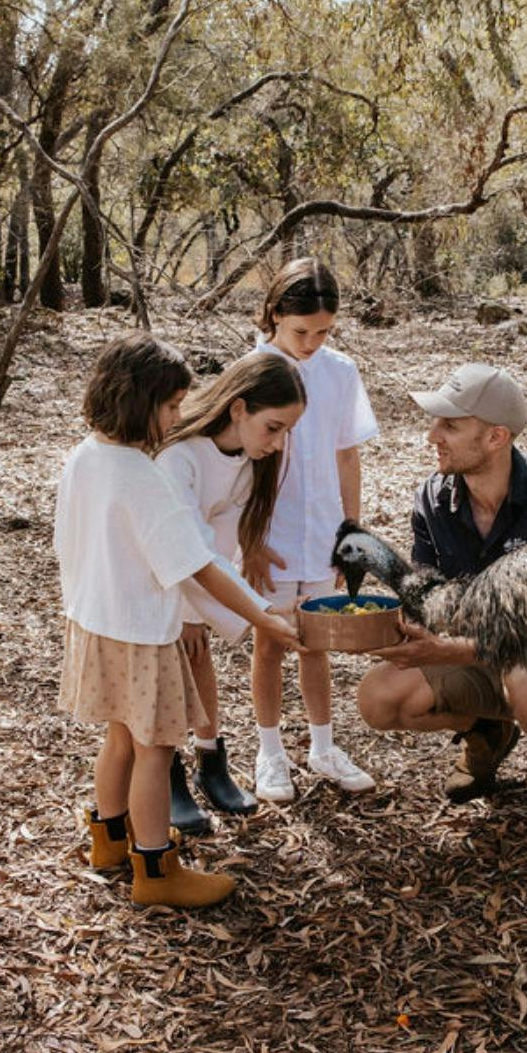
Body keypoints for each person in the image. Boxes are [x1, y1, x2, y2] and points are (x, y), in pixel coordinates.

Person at [54, 334, 303, 908]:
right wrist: (264, 616)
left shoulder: (86, 456)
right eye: (170, 408)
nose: (177, 419)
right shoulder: (145, 479)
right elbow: (199, 566)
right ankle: (155, 869)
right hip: (142, 633)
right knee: (156, 749)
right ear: (140, 403)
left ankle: (108, 840)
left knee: (120, 738)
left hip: (95, 620)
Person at [356, 363, 527, 848]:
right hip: (475, 649)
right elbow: (428, 598)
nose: (433, 436)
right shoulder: (434, 498)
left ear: (495, 437)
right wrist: (395, 626)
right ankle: (487, 731)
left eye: (450, 425)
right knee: (379, 698)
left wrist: (449, 652)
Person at [155, 353, 307, 836]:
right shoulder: (178, 456)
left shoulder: (246, 457)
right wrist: (195, 611)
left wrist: (247, 561)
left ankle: (210, 759)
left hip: (202, 576)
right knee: (169, 673)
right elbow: (184, 543)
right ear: (238, 408)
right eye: (273, 428)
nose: (279, 443)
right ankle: (168, 772)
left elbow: (223, 536)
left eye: (286, 432)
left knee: (199, 662)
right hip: (159, 577)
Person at [250, 257, 380, 801]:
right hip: (270, 533)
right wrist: (249, 539)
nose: (311, 342)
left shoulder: (340, 372)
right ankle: (270, 751)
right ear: (275, 314)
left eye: (323, 331)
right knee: (271, 642)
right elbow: (240, 466)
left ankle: (323, 746)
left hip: (325, 528)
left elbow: (346, 454)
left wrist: (350, 532)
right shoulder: (252, 370)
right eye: (302, 331)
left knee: (316, 642)